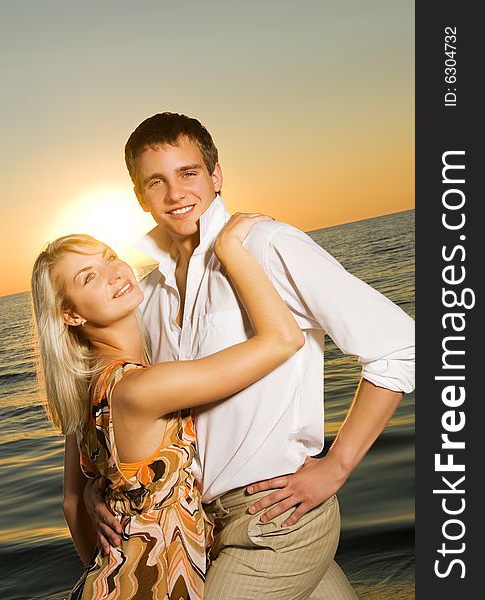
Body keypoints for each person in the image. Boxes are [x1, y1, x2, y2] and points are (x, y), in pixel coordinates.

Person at [82, 112, 415, 599]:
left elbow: (399, 346)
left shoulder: (266, 244)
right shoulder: (147, 294)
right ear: (140, 196)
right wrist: (100, 488)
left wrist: (337, 465)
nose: (175, 194)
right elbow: (130, 400)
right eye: (157, 181)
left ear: (216, 175)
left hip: (277, 519)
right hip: (203, 527)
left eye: (188, 173)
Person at [31, 214, 305, 599]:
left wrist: (109, 565)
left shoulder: (86, 390)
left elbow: (73, 501)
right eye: (88, 277)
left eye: (109, 256)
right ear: (71, 314)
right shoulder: (141, 388)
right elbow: (283, 340)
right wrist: (230, 250)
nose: (114, 273)